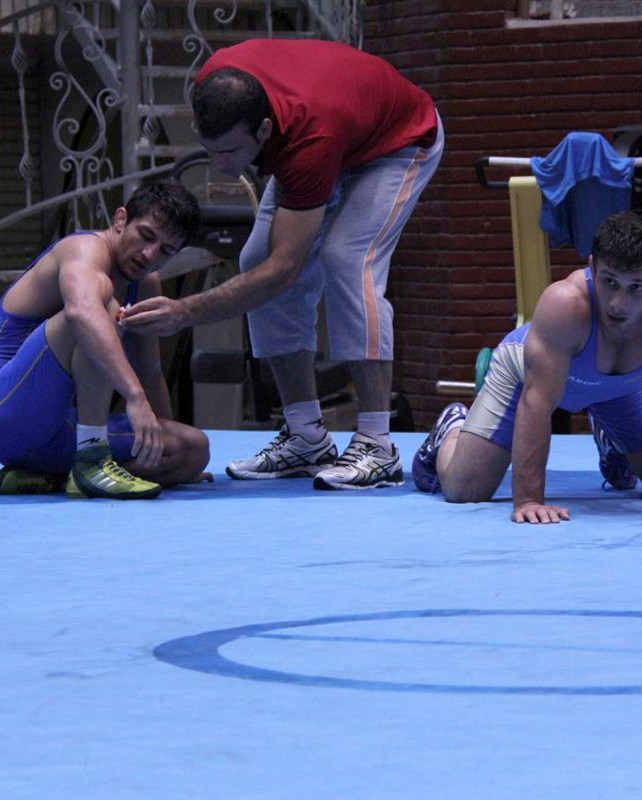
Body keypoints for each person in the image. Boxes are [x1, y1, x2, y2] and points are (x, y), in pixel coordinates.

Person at [120, 39, 444, 491]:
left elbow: (284, 270)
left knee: (347, 260)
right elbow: (268, 266)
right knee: (254, 258)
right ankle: (305, 435)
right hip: (333, 127)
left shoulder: (311, 139)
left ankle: (377, 444)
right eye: (209, 149)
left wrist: (184, 311)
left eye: (230, 152)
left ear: (264, 129)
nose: (219, 166)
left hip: (397, 141)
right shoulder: (214, 83)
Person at [411, 212, 642, 523]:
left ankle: (611, 437)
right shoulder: (564, 303)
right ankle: (452, 428)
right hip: (524, 376)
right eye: (609, 282)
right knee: (465, 490)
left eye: (636, 288)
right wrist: (528, 500)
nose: (617, 303)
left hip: (623, 386)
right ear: (592, 266)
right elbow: (537, 402)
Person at [0, 180, 211, 500]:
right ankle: (92, 461)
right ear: (120, 220)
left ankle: (48, 477)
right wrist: (134, 397)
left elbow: (149, 371)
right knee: (102, 306)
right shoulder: (84, 250)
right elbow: (82, 313)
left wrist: (160, 445)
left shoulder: (145, 283)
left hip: (59, 431)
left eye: (166, 250)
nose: (149, 254)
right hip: (0, 410)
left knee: (193, 450)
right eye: (146, 235)